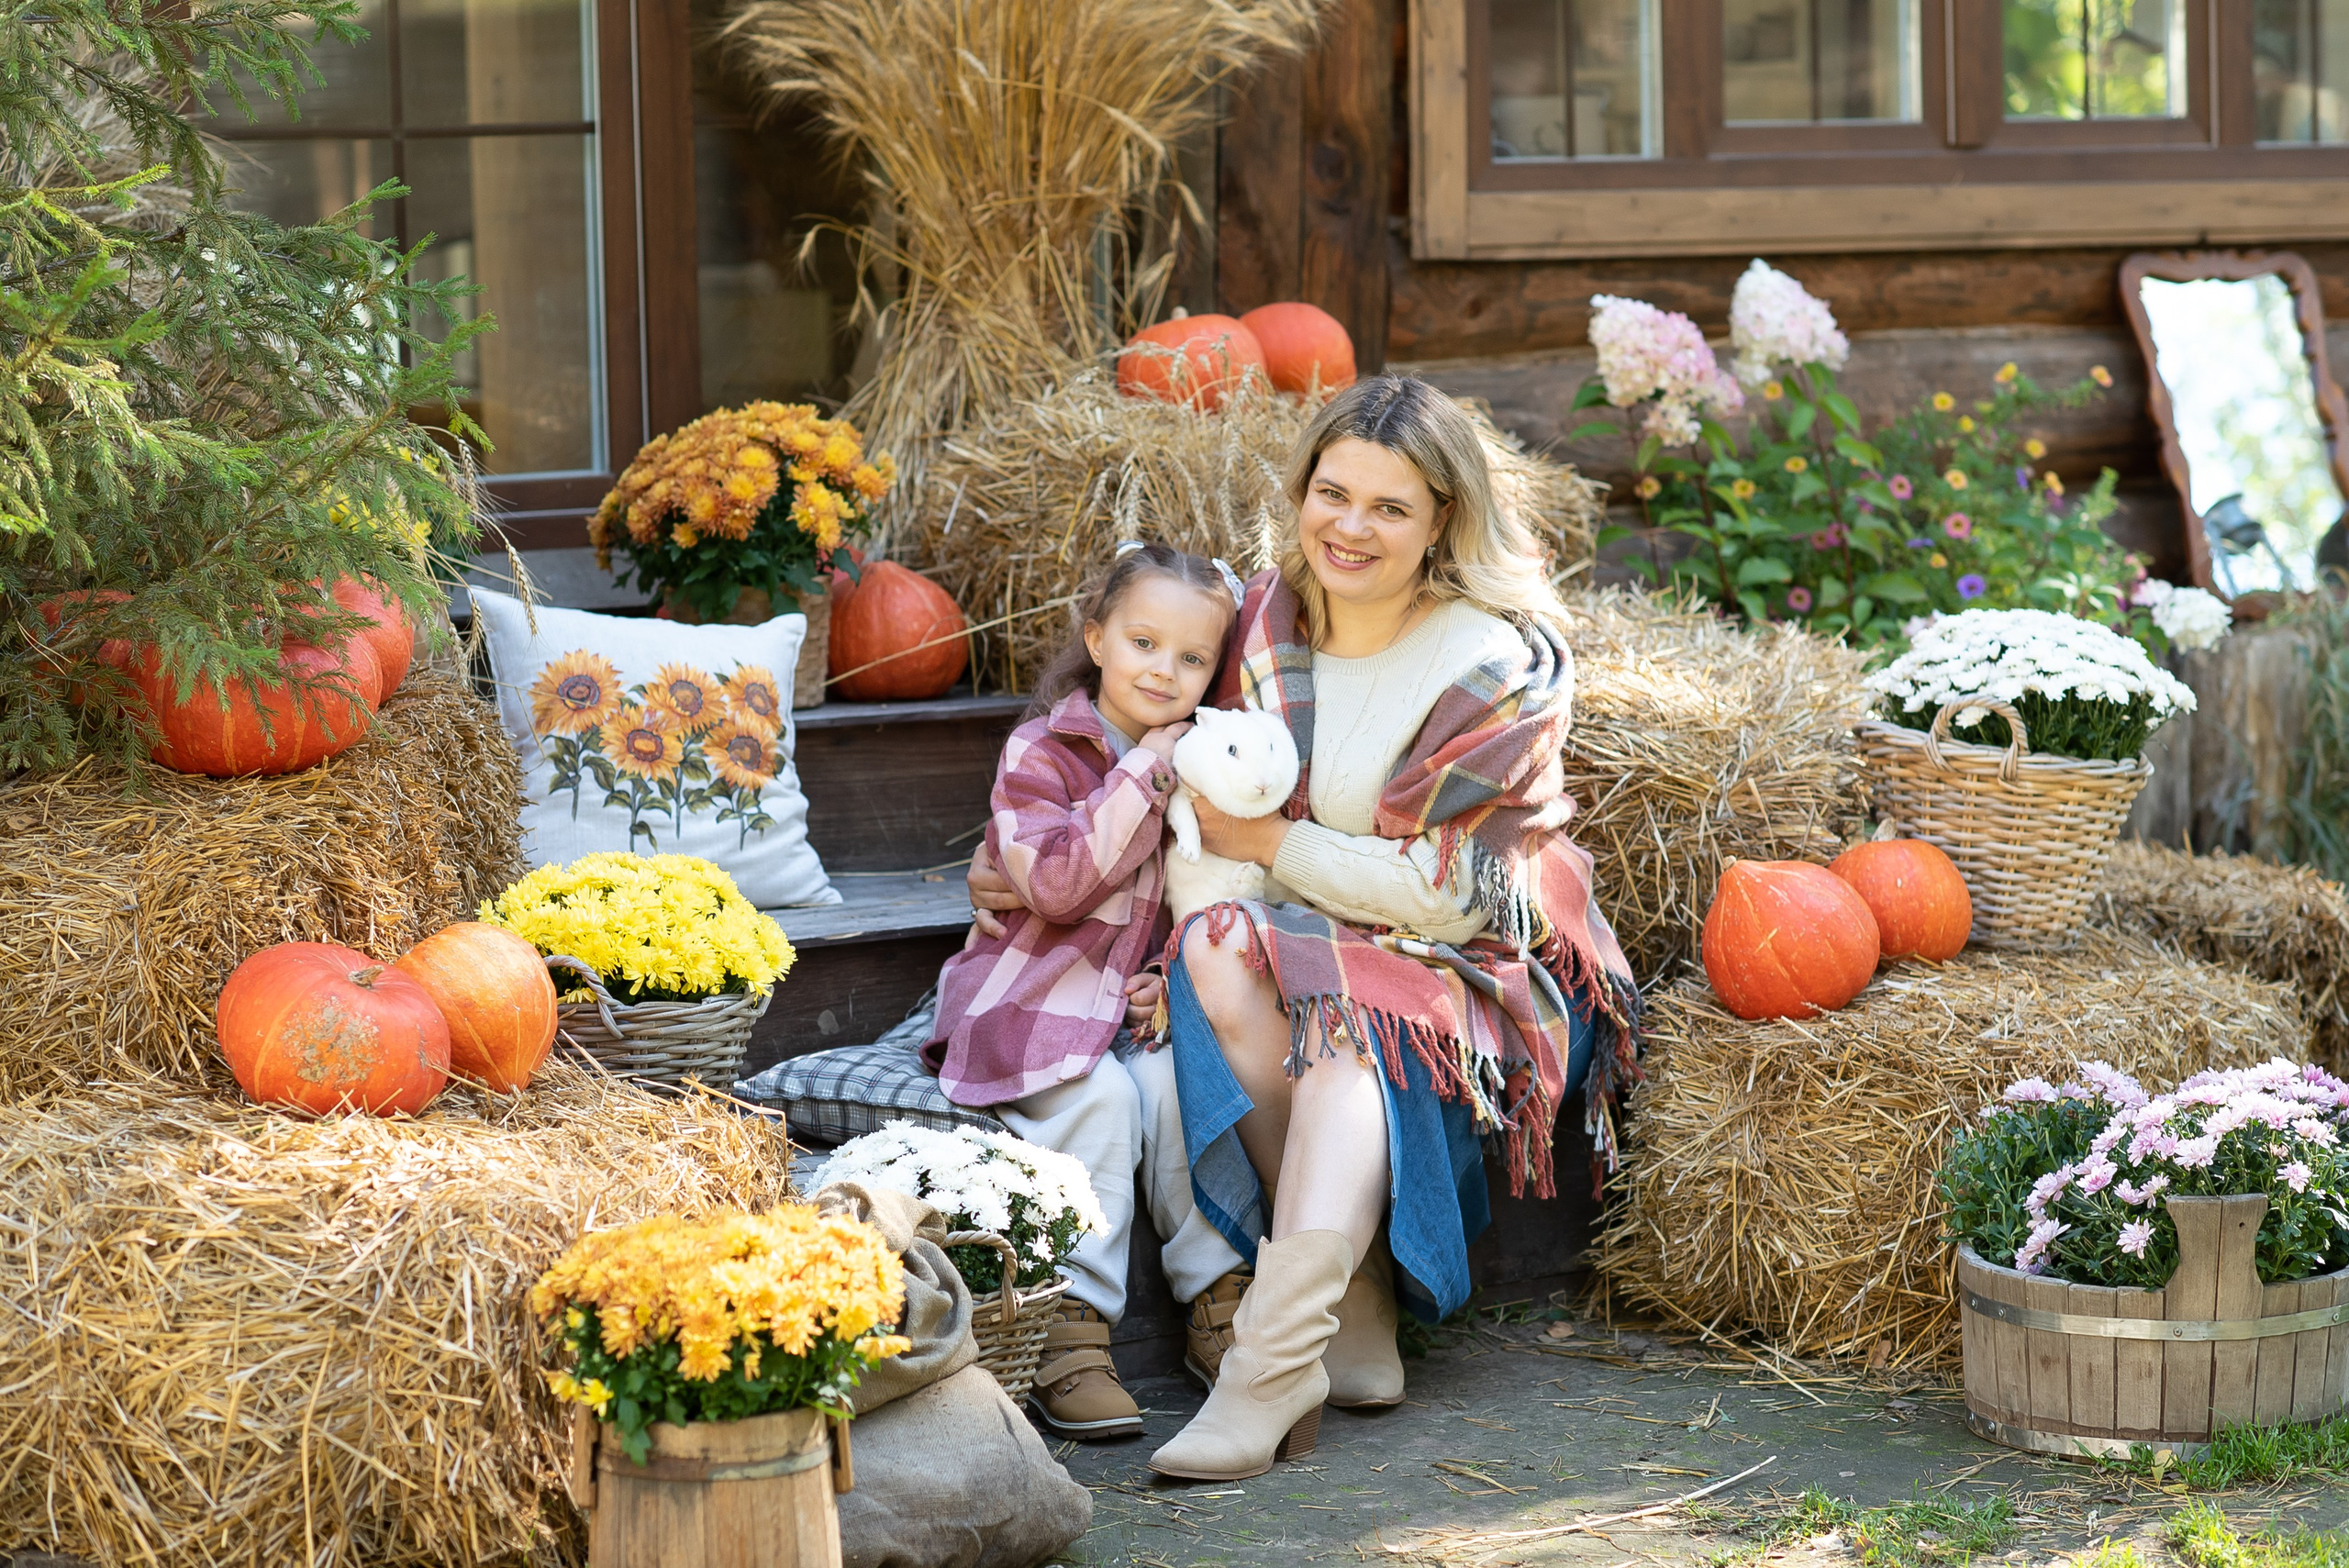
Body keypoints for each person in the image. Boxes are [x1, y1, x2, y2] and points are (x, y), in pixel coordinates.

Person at [969, 376, 1641, 1481]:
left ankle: (1269, 1365)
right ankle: (1357, 1289)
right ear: (1300, 493)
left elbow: (1454, 892)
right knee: (1217, 948)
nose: (1351, 525)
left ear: (1441, 523)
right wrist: (1014, 857)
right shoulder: (1260, 621)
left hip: (1449, 958)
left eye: (1390, 506)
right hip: (1292, 937)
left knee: (1341, 1039)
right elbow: (1167, 782)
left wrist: (1270, 845)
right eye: (1332, 493)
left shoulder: (1493, 663)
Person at [924, 540, 1252, 1441]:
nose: (1165, 670)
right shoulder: (1044, 750)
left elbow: (1202, 897)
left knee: (1184, 1090)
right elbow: (1061, 884)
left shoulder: (1209, 764)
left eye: (1191, 658)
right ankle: (1071, 1321)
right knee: (1103, 1098)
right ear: (1097, 637)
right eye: (1144, 642)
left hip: (1126, 1007)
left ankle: (1217, 1301)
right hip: (1029, 998)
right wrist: (1149, 764)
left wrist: (1161, 978)